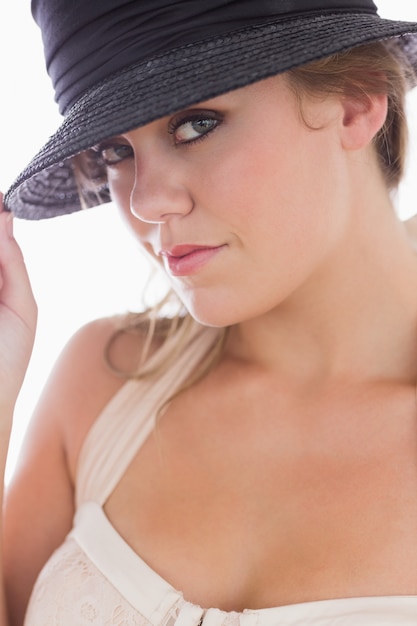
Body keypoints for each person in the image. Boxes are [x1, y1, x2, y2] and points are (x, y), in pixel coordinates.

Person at [3, 0, 417, 624]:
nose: (146, 201)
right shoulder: (100, 385)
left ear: (357, 102)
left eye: (196, 125)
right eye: (117, 151)